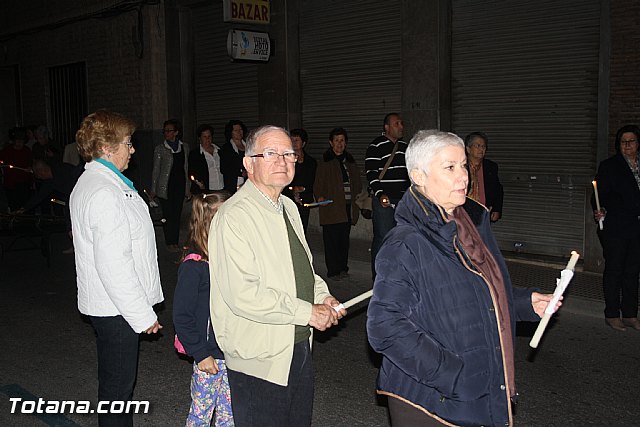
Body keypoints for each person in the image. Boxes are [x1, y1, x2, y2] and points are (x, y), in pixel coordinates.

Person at [367, 130, 560, 427]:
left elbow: (476, 289)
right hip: (431, 403)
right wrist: (455, 376)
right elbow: (385, 327)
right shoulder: (405, 242)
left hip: (480, 391)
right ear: (418, 176)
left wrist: (524, 303)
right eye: (449, 168)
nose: (463, 177)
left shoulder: (470, 223)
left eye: (463, 166)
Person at [209, 125, 346, 427]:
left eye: (289, 154)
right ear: (249, 163)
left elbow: (302, 270)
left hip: (297, 344)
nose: (283, 161)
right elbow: (243, 294)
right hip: (259, 356)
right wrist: (308, 311)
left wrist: (322, 296)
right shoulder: (234, 216)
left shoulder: (288, 207)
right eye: (270, 153)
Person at [70, 110, 164, 427]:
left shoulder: (106, 183)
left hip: (113, 306)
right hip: (117, 309)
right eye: (128, 143)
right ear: (108, 148)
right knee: (117, 392)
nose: (133, 149)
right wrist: (141, 314)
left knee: (115, 387)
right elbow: (114, 263)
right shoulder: (104, 191)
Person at [173, 190, 234, 427]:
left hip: (232, 352)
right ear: (212, 222)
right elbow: (182, 315)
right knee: (201, 415)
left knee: (230, 415)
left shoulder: (228, 257)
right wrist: (200, 353)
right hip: (209, 355)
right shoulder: (194, 266)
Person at [592, 124, 640, 331]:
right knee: (615, 270)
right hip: (617, 227)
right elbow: (599, 195)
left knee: (633, 271)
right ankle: (612, 313)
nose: (627, 145)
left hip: (637, 228)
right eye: (623, 142)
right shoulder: (610, 166)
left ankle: (630, 313)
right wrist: (600, 208)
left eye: (631, 141)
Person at [364, 113, 410, 278]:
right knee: (383, 237)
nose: (401, 126)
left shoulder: (405, 147)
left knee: (400, 238)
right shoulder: (376, 146)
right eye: (396, 123)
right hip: (384, 200)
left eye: (401, 123)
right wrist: (380, 193)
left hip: (403, 201)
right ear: (387, 127)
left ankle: (396, 274)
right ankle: (378, 276)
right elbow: (371, 173)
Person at [314, 127, 362, 280]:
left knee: (343, 240)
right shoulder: (325, 162)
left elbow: (358, 183)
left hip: (347, 208)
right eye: (336, 140)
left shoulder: (350, 161)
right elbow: (318, 184)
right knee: (331, 241)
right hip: (332, 207)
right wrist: (320, 197)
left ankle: (342, 268)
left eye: (342, 140)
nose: (339, 144)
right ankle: (333, 271)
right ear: (331, 142)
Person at [150, 119, 190, 251]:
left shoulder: (184, 147)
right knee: (168, 214)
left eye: (169, 130)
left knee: (177, 214)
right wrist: (153, 189)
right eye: (165, 131)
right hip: (165, 186)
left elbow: (186, 168)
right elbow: (156, 169)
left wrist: (187, 188)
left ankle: (175, 241)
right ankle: (169, 242)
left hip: (179, 184)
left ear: (176, 132)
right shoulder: (160, 149)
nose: (166, 133)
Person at [464, 132, 504, 222]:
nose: (481, 149)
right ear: (468, 149)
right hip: (463, 214)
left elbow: (498, 189)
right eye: (477, 146)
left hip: (483, 213)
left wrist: (497, 209)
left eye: (483, 146)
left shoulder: (490, 167)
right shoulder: (460, 166)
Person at [284, 128, 317, 233]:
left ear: (303, 143)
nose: (293, 143)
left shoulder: (311, 162)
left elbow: (313, 181)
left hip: (304, 201)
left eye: (296, 140)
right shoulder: (284, 161)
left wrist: (302, 189)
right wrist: (292, 190)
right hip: (288, 200)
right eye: (292, 140)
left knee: (302, 230)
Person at [0, 127, 33, 211]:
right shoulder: (6, 151)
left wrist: (30, 168)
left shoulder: (27, 150)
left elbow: (31, 163)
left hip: (24, 183)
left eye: (21, 141)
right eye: (17, 140)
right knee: (14, 205)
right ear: (14, 141)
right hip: (11, 184)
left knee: (25, 205)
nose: (19, 143)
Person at [189, 124, 224, 195]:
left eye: (209, 136)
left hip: (221, 188)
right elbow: (192, 172)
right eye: (204, 137)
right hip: (206, 190)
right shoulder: (195, 154)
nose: (207, 139)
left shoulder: (220, 151)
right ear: (200, 138)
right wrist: (199, 182)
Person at [219, 120, 248, 194]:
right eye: (236, 130)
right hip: (233, 185)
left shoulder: (249, 146)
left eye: (240, 129)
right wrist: (240, 172)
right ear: (231, 132)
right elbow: (224, 168)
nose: (239, 132)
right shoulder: (226, 148)